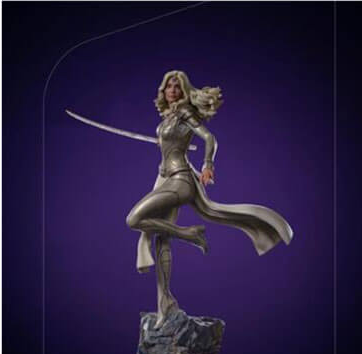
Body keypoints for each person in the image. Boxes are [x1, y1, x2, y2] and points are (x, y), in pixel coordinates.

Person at [126, 70, 293, 328]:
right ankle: (165, 304)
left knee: (134, 219)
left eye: (177, 86)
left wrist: (207, 165)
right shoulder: (169, 117)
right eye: (168, 86)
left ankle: (190, 234)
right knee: (162, 239)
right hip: (166, 178)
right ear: (163, 90)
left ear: (183, 91)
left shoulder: (184, 112)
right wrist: (166, 142)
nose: (172, 90)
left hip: (180, 180)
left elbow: (209, 138)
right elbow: (172, 145)